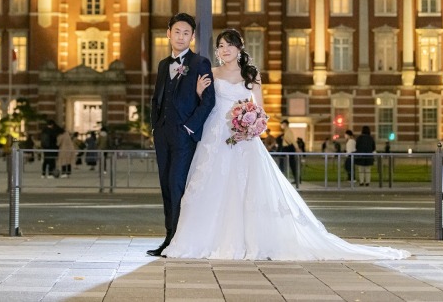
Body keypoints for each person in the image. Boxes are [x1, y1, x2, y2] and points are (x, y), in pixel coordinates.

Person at [164, 28, 409, 261]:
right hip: (215, 134)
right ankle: (202, 240)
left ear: (240, 48)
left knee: (243, 187)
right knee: (209, 183)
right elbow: (205, 105)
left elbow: (260, 110)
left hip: (242, 137)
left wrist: (251, 125)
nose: (224, 49)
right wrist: (198, 91)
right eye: (220, 46)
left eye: (229, 45)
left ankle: (245, 240)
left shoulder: (251, 75)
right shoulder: (213, 73)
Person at [148, 13, 215, 258]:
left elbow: (209, 101)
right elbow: (157, 98)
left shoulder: (200, 63)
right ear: (168, 33)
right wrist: (154, 126)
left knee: (177, 185)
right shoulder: (163, 64)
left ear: (193, 37)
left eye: (186, 33)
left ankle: (176, 239)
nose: (181, 36)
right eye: (177, 31)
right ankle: (169, 236)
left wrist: (189, 128)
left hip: (184, 136)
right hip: (163, 134)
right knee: (166, 185)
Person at [275, 119, 299, 184]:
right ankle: (284, 177)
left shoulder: (289, 131)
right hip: (286, 148)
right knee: (283, 162)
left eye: (282, 124)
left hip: (289, 148)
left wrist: (297, 148)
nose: (281, 126)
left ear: (285, 124)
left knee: (291, 164)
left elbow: (292, 140)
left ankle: (296, 179)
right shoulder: (286, 131)